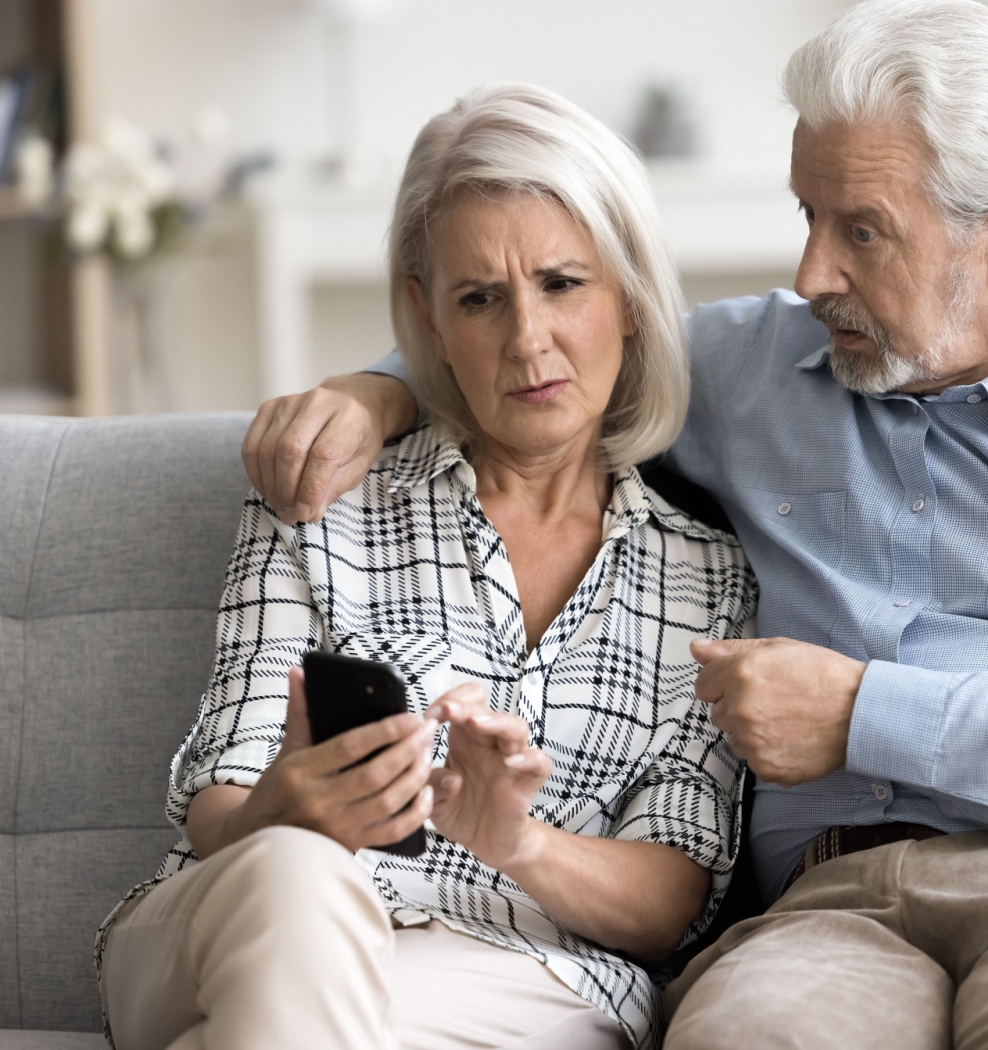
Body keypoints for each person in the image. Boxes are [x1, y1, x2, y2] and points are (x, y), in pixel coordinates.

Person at [243, 3, 988, 1047]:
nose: (810, 276)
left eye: (861, 231)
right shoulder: (757, 367)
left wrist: (863, 714)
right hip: (827, 908)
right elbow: (538, 350)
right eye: (809, 217)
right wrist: (371, 395)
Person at [97, 83, 757, 1050]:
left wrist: (518, 842)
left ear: (630, 299)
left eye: (563, 284)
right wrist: (289, 807)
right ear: (427, 315)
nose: (528, 340)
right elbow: (218, 810)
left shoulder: (708, 580)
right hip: (244, 916)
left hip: (512, 977)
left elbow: (671, 894)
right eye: (480, 299)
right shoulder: (323, 501)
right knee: (297, 879)